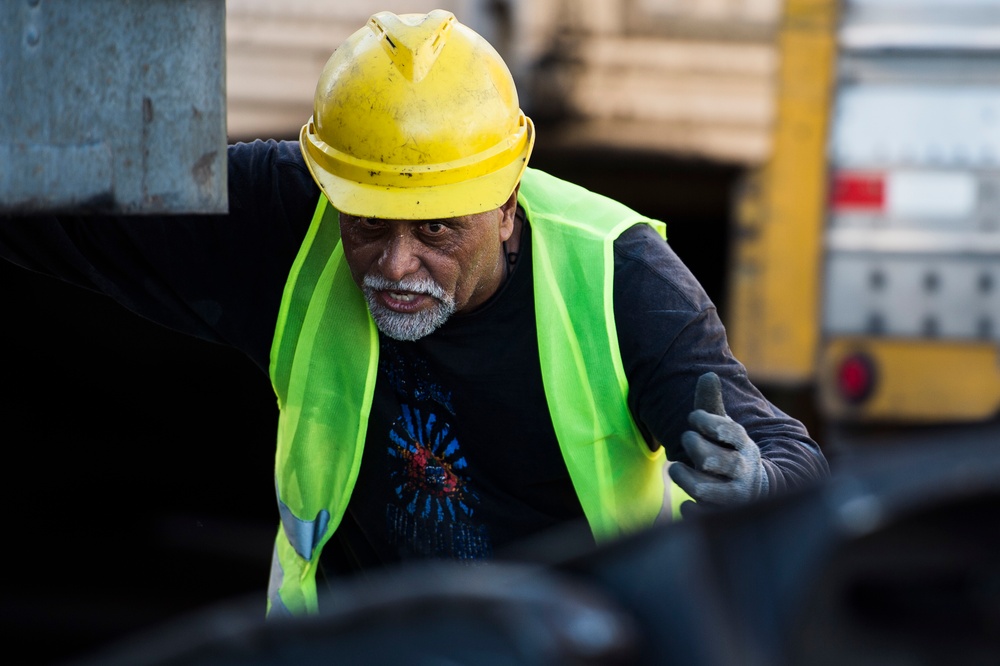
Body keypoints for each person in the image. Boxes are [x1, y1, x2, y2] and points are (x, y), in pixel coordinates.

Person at [0, 10, 828, 618]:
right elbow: (57, 195)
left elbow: (793, 457)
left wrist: (758, 486)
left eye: (436, 230)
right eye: (368, 226)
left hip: (564, 642)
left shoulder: (619, 275)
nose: (397, 267)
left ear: (506, 209)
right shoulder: (294, 216)